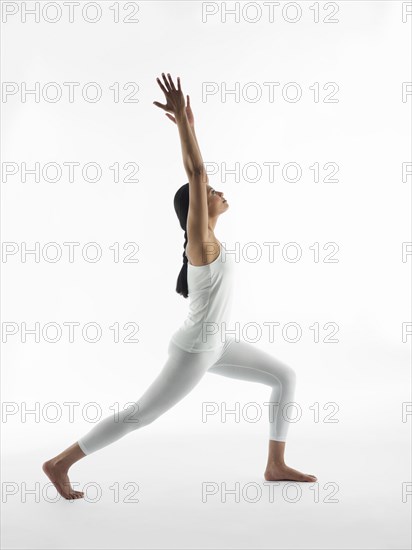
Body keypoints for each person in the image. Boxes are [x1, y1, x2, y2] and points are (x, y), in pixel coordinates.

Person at [42, 73, 317, 500]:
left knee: (284, 376)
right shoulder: (200, 245)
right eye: (208, 192)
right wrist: (186, 126)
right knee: (141, 415)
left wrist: (190, 128)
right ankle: (59, 463)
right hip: (195, 350)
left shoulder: (211, 244)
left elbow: (201, 175)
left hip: (218, 343)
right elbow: (197, 170)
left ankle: (275, 463)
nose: (217, 190)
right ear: (196, 210)